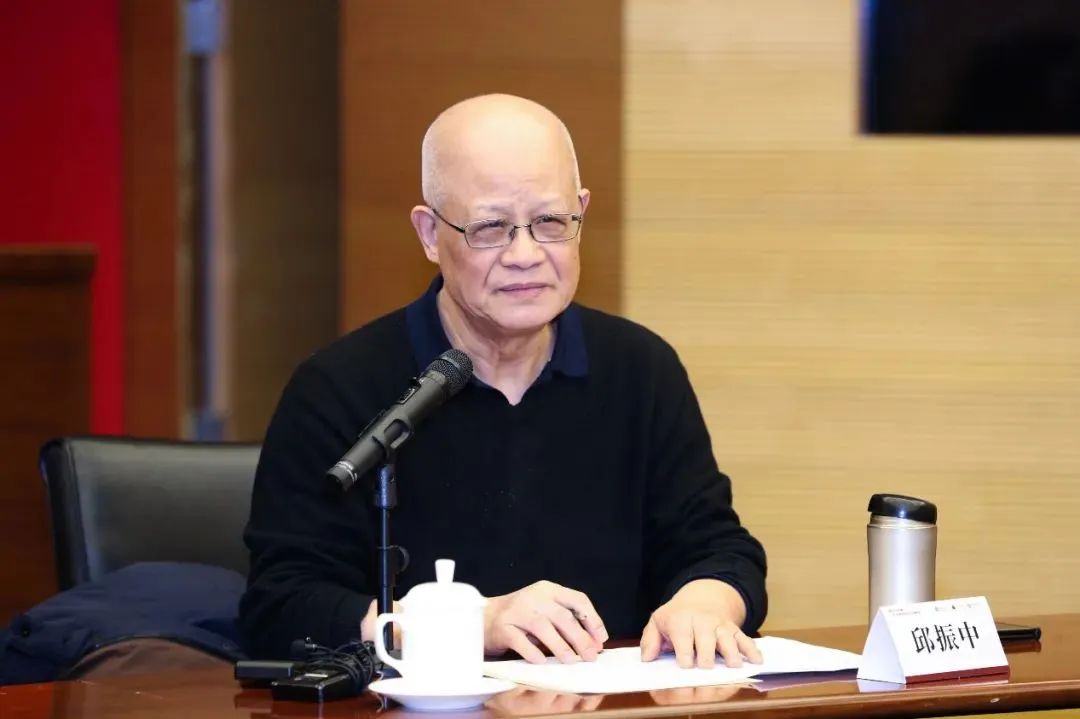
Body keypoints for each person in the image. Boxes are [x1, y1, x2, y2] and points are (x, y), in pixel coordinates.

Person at [240, 94, 767, 669]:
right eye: (491, 227)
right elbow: (281, 606)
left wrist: (703, 603)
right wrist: (471, 625)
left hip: (604, 703)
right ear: (429, 233)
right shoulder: (338, 387)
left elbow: (718, 548)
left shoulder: (641, 369)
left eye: (551, 222)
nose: (525, 254)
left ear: (581, 215)